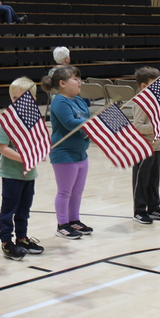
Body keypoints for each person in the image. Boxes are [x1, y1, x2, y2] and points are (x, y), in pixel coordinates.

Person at [0, 77, 44, 260]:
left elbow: (38, 143)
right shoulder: (7, 119)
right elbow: (3, 148)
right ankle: (6, 241)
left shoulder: (34, 120)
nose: (18, 102)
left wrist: (40, 152)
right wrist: (24, 158)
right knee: (9, 208)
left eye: (23, 98)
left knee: (24, 208)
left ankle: (22, 238)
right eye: (15, 98)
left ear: (33, 99)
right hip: (11, 174)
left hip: (29, 174)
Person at [41, 66, 90, 239]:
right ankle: (62, 224)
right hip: (64, 153)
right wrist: (91, 123)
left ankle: (74, 220)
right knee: (65, 191)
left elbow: (85, 121)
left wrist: (89, 125)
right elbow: (70, 123)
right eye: (75, 79)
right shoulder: (59, 101)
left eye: (79, 79)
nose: (79, 82)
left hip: (81, 153)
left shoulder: (79, 100)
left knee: (77, 191)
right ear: (62, 83)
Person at [130, 67, 160, 225]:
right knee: (141, 180)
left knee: (153, 180)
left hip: (158, 146)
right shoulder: (141, 102)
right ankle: (139, 210)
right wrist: (158, 126)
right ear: (143, 86)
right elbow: (138, 126)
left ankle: (153, 207)